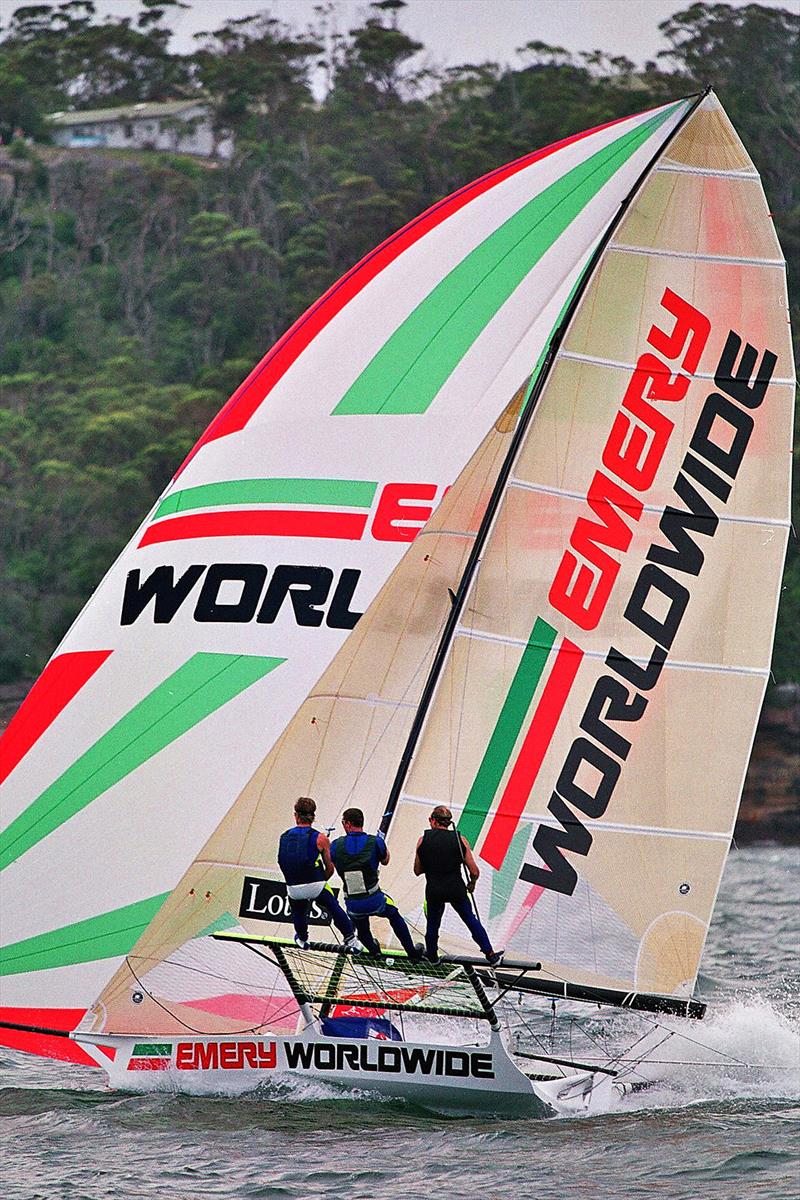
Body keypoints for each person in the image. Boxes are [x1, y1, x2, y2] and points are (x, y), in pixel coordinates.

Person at [414, 805, 503, 966]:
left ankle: (433, 957)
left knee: (433, 924)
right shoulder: (460, 839)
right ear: (448, 823)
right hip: (456, 888)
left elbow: (417, 870)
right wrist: (472, 884)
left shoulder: (422, 840)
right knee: (470, 920)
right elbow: (474, 871)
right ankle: (491, 955)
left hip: (434, 889)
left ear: (433, 821)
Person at [329, 808, 421, 959]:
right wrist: (380, 846)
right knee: (394, 915)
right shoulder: (375, 842)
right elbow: (386, 860)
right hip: (375, 900)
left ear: (348, 824)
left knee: (362, 929)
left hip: (353, 904)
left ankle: (374, 951)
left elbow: (330, 864)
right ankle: (412, 952)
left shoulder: (335, 845)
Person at [277, 797, 361, 950]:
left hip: (293, 888)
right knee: (333, 905)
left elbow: (284, 862)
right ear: (313, 817)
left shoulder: (284, 836)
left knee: (299, 910)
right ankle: (350, 939)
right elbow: (330, 868)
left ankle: (302, 938)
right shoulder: (321, 838)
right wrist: (321, 881)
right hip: (315, 884)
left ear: (295, 815)